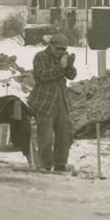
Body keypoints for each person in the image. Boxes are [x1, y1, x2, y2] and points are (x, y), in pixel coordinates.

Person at [27, 34, 78, 171]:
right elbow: (42, 76)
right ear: (51, 46)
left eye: (64, 49)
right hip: (44, 100)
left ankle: (60, 163)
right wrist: (61, 68)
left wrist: (69, 66)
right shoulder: (40, 57)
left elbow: (71, 76)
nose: (62, 52)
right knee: (46, 135)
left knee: (66, 132)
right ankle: (45, 164)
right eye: (59, 49)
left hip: (61, 99)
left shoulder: (62, 58)